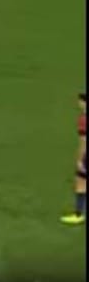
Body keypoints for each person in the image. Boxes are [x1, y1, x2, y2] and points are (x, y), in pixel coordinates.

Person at [63, 92, 87, 225]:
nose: (79, 104)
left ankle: (78, 214)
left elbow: (84, 141)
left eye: (80, 101)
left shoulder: (83, 120)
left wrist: (80, 160)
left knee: (81, 182)